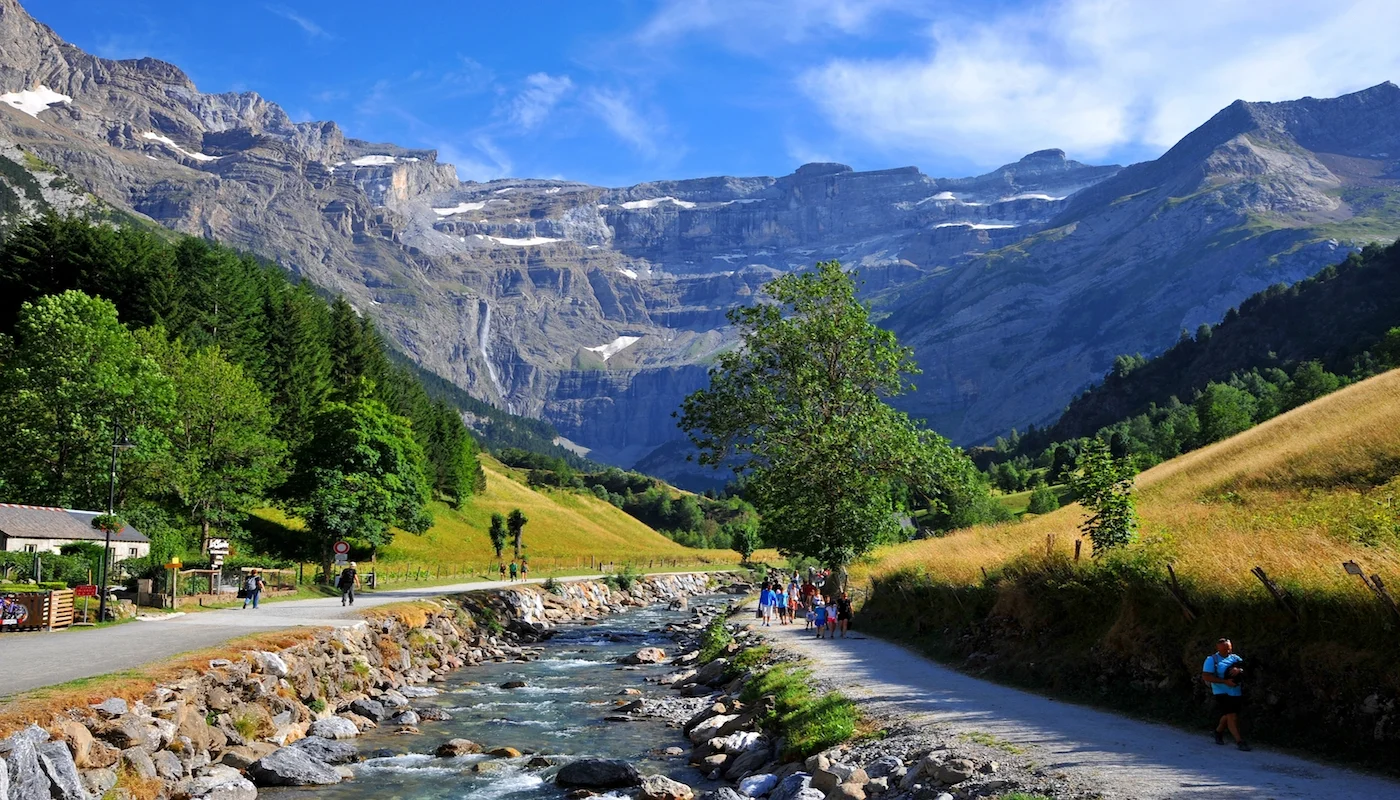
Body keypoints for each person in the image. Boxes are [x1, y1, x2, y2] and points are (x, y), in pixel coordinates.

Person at [1202, 638, 1251, 751]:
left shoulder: (1235, 658)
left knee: (1229, 715)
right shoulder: (1211, 660)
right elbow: (1206, 676)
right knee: (1232, 716)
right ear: (1218, 648)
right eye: (1225, 649)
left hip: (1235, 691)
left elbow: (1246, 667)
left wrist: (1239, 670)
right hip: (1221, 692)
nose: (1228, 651)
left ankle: (1218, 732)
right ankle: (1240, 741)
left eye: (1229, 649)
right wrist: (1225, 682)